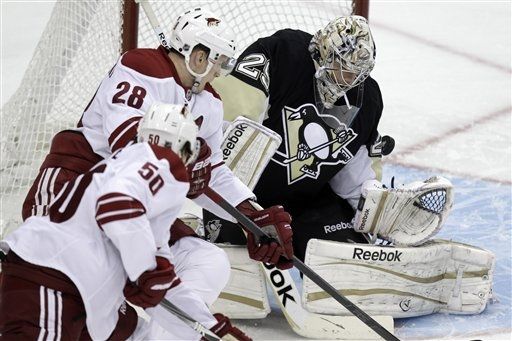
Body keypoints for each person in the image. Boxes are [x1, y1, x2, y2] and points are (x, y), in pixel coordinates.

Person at [15, 7, 293, 339]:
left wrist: (251, 216)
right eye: (220, 61)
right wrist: (191, 163)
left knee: (208, 261)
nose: (222, 71)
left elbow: (212, 173)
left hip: (137, 209)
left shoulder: (209, 104)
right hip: (74, 189)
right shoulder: (141, 67)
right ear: (199, 57)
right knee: (78, 310)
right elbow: (129, 145)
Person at [0, 103, 251, 340]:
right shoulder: (158, 163)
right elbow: (115, 206)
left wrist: (211, 328)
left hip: (60, 285)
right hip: (51, 279)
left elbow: (163, 285)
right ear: (183, 147)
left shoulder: (129, 170)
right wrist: (145, 270)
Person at [209, 15, 392, 260]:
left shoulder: (367, 99)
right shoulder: (281, 55)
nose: (347, 79)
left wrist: (373, 206)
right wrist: (241, 204)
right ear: (324, 52)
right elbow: (228, 128)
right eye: (341, 67)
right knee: (228, 261)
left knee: (345, 256)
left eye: (356, 73)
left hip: (306, 203)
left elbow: (355, 174)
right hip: (243, 195)